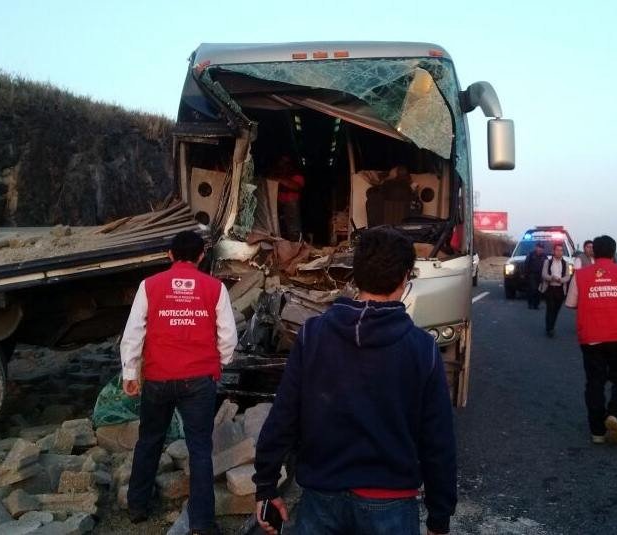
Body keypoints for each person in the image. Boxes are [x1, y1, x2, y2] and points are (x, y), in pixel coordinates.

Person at [253, 227, 456, 535]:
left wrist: (266, 487)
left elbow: (283, 415)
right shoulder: (422, 348)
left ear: (355, 275)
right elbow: (438, 439)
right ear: (405, 278)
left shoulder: (313, 335)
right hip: (391, 504)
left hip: (320, 499)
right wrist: (439, 517)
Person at [120, 231, 238, 534]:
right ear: (201, 256)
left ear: (170, 255)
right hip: (198, 380)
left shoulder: (149, 286)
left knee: (149, 440)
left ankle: (137, 506)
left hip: (158, 378)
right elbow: (228, 336)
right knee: (200, 449)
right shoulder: (215, 287)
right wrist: (220, 362)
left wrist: (130, 374)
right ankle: (202, 523)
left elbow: (133, 333)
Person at [565, 235, 617, 445]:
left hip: (592, 336)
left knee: (595, 382)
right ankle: (615, 414)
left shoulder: (580, 276)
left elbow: (570, 304)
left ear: (594, 252)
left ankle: (597, 431)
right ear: (613, 252)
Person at [540, 243, 571, 337]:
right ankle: (549, 328)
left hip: (560, 289)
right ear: (553, 251)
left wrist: (561, 280)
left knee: (556, 310)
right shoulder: (547, 262)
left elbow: (568, 276)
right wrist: (551, 278)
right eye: (557, 250)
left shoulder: (565, 263)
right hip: (550, 288)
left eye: (561, 250)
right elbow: (544, 274)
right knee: (550, 308)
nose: (559, 252)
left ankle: (552, 326)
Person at [274, 154, 305, 241]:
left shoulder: (297, 176)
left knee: (294, 231)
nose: (284, 166)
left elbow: (296, 187)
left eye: (286, 163)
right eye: (282, 163)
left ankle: (296, 245)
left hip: (291, 207)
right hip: (279, 206)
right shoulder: (277, 175)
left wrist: (279, 180)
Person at [524, 242, 547, 310]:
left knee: (539, 290)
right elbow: (526, 264)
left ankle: (536, 305)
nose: (540, 249)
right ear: (536, 247)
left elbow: (547, 265)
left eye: (541, 248)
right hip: (532, 274)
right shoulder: (531, 255)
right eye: (539, 247)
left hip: (541, 275)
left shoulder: (544, 256)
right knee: (533, 289)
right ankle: (530, 304)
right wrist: (526, 274)